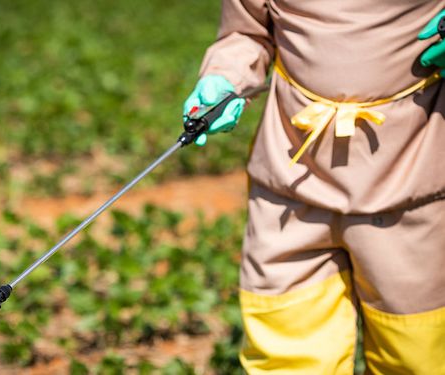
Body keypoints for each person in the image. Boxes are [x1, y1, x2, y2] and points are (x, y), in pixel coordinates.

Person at [183, 1, 445, 373]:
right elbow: (247, 32)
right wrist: (226, 78)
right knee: (286, 344)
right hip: (292, 182)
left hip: (411, 178)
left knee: (418, 352)